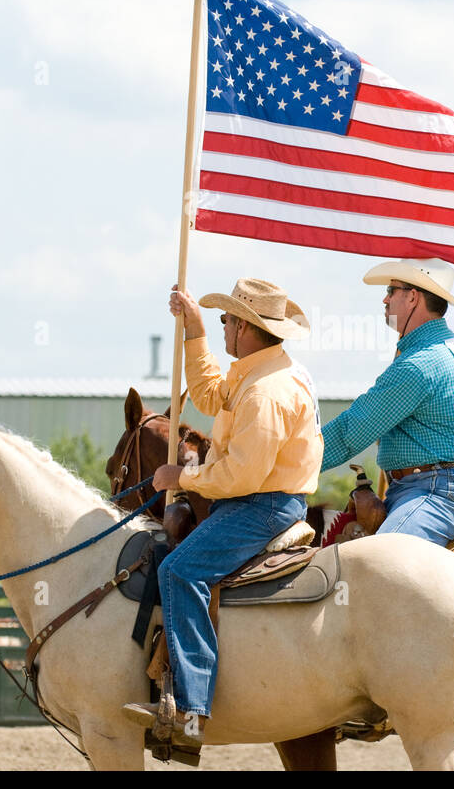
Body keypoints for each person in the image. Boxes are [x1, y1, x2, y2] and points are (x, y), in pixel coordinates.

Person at [122, 278, 323, 759]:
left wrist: (182, 477)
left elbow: (240, 475)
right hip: (262, 499)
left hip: (261, 504)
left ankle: (191, 708)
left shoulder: (265, 392)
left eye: (227, 320)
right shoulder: (258, 373)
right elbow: (209, 395)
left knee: (179, 569)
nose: (224, 326)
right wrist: (194, 331)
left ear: (247, 328)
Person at [320, 258, 454, 546]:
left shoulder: (419, 363)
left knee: (379, 563)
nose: (385, 299)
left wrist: (289, 464)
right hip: (444, 484)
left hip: (436, 491)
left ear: (413, 297)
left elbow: (351, 432)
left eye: (392, 290)